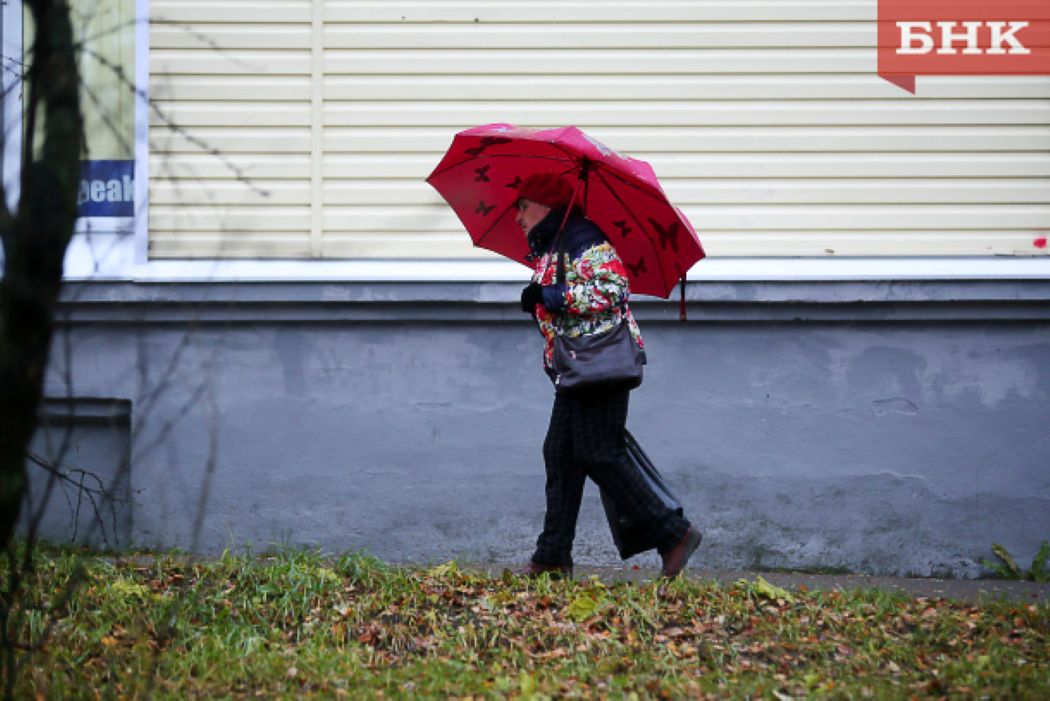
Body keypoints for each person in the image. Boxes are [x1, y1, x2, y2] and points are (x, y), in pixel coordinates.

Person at [515, 172, 702, 579]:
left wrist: (550, 296)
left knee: (599, 452)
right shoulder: (557, 243)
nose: (517, 216)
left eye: (523, 205)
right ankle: (552, 555)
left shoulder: (584, 238)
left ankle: (673, 533)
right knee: (561, 454)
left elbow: (612, 288)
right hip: (578, 367)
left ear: (546, 204)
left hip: (600, 364)